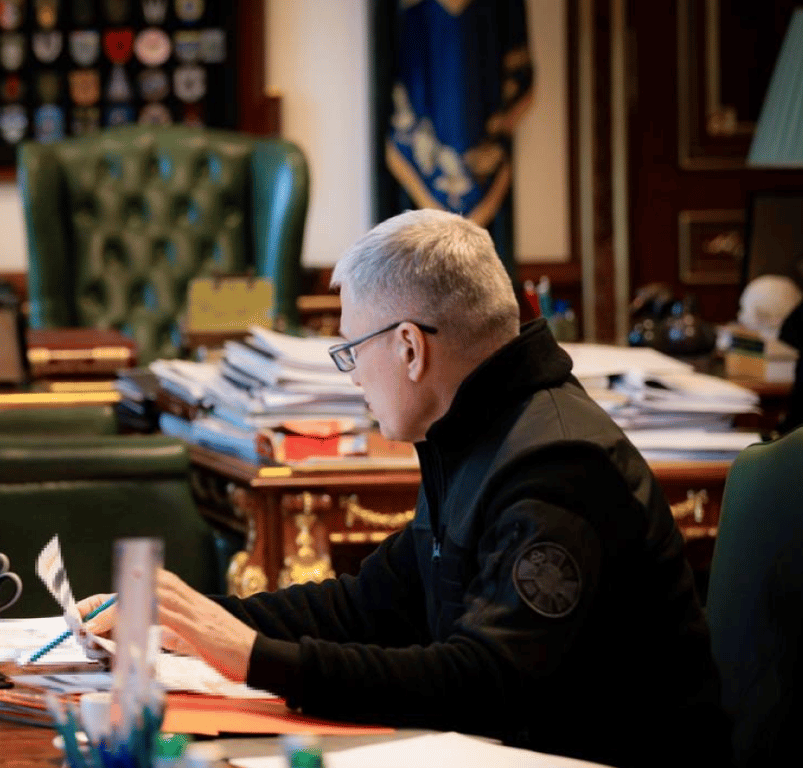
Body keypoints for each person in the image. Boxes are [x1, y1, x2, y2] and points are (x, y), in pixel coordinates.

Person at [77, 210, 729, 767]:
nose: (353, 377)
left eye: (351, 351)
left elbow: (487, 683)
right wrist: (196, 621)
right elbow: (369, 605)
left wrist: (250, 655)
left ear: (411, 349)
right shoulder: (473, 433)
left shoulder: (557, 467)